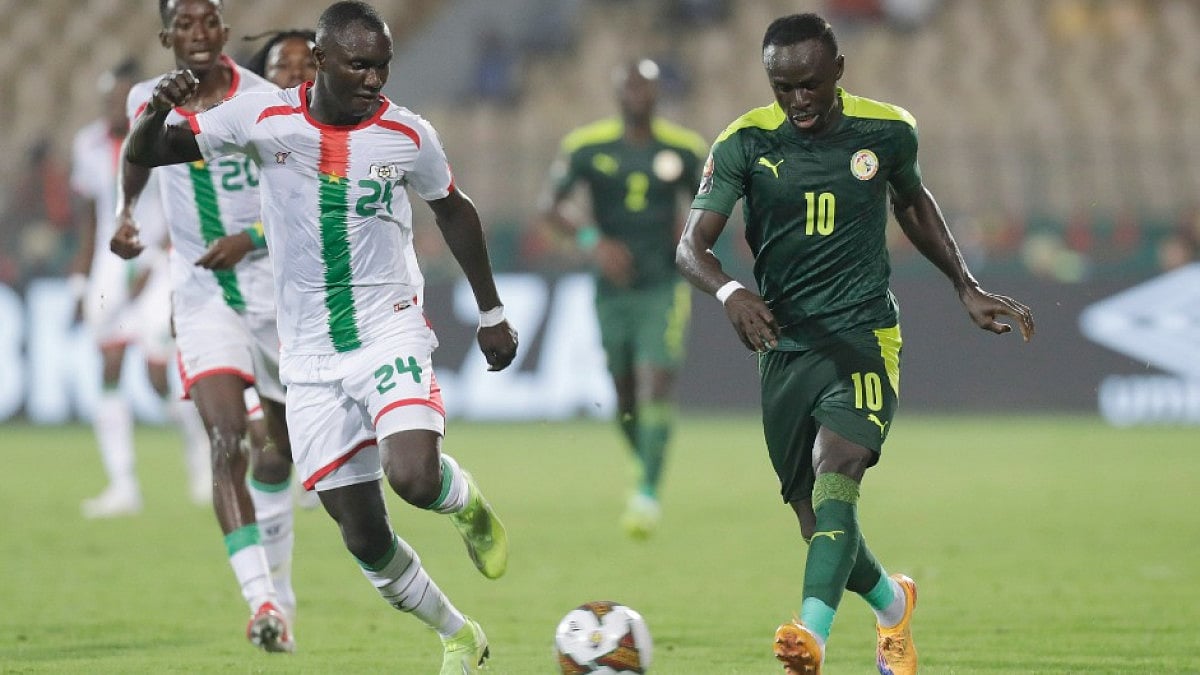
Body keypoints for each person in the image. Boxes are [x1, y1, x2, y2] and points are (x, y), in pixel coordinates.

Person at [119, 2, 518, 672]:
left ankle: (461, 499)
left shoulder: (407, 133)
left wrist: (491, 311)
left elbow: (453, 209)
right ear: (324, 61)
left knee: (413, 477)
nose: (373, 79)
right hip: (307, 357)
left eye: (382, 66)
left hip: (388, 329)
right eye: (359, 66)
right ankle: (457, 633)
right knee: (362, 535)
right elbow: (151, 151)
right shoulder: (262, 117)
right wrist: (156, 110)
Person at [675, 13, 1035, 675]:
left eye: (810, 84)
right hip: (784, 345)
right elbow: (690, 247)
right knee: (816, 523)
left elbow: (913, 202)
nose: (798, 99)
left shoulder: (887, 131)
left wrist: (966, 284)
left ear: (838, 70)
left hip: (863, 335)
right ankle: (894, 605)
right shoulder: (744, 142)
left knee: (838, 467)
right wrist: (730, 293)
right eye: (783, 87)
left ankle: (809, 636)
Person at [110, 0, 299, 653]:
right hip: (200, 294)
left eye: (208, 21)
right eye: (184, 23)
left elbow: (302, 194)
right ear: (166, 34)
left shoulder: (264, 99)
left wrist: (251, 237)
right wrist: (126, 212)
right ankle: (262, 601)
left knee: (279, 448)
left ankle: (280, 583)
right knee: (226, 439)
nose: (197, 33)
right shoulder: (147, 97)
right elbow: (138, 156)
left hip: (273, 293)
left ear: (224, 30)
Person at [537, 58, 707, 539]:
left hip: (663, 285)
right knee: (625, 392)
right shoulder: (587, 147)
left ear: (657, 94)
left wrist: (690, 234)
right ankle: (645, 459)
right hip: (612, 291)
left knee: (657, 381)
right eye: (629, 87)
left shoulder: (684, 149)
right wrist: (594, 242)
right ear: (618, 94)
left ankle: (647, 491)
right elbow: (549, 205)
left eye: (645, 87)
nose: (637, 95)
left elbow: (709, 204)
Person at [66, 57, 212, 518]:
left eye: (123, 99)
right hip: (111, 270)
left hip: (159, 264)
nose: (115, 106)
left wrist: (155, 258)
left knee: (156, 376)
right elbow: (90, 218)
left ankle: (201, 454)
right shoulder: (87, 144)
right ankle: (123, 485)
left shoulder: (161, 137)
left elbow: (182, 203)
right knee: (109, 365)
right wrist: (80, 281)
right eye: (109, 98)